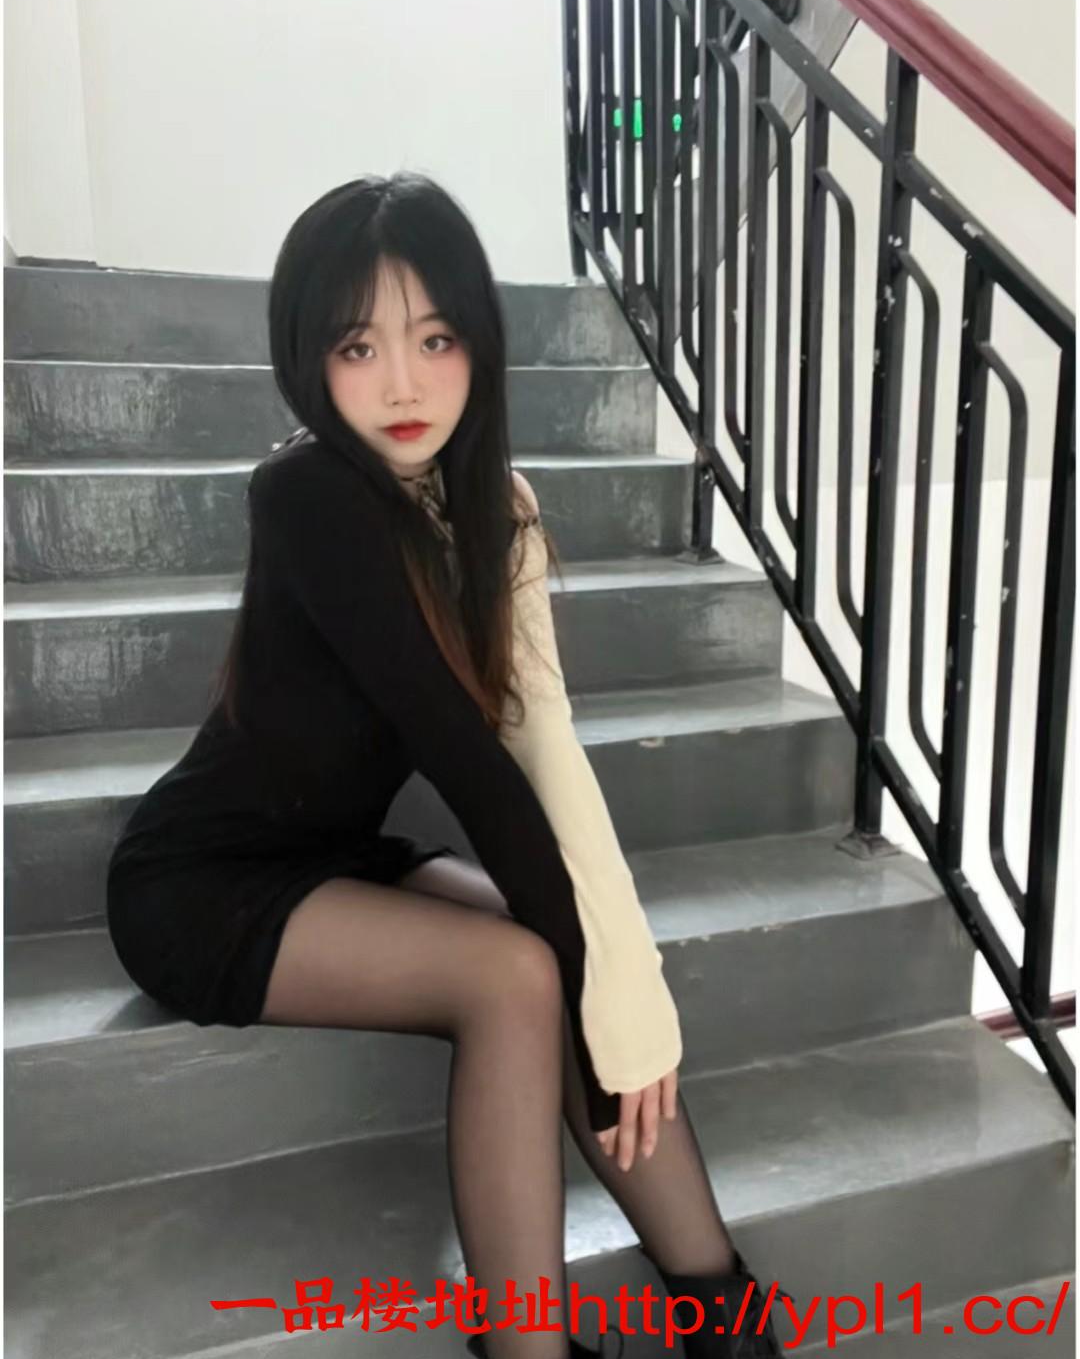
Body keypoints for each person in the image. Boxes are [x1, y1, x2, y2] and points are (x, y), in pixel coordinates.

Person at [105, 172, 791, 1359]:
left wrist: (625, 978)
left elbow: (542, 744)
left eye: (435, 339)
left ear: (479, 340)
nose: (404, 385)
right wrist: (601, 1006)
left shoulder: (496, 511)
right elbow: (462, 756)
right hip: (202, 884)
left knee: (572, 957)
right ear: (309, 360)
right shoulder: (307, 493)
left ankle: (726, 1321)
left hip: (339, 855)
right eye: (357, 347)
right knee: (523, 974)